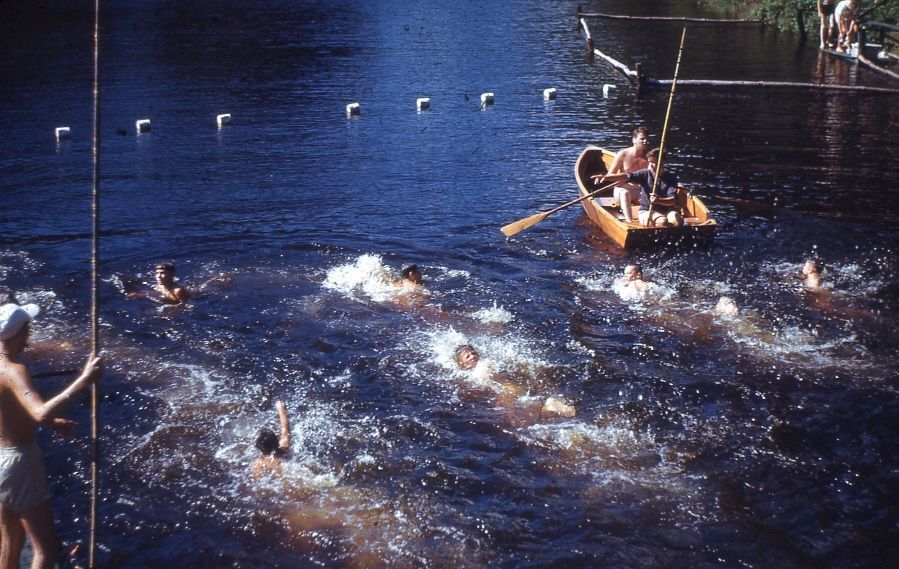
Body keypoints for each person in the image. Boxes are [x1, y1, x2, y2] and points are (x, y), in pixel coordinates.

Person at [0, 303, 102, 569]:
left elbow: (8, 409)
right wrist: (84, 380)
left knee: (10, 540)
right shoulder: (14, 370)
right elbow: (40, 413)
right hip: (20, 463)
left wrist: (53, 423)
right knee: (46, 550)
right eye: (28, 328)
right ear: (21, 332)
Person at [598, 149, 683, 228]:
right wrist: (607, 177)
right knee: (662, 221)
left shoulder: (671, 177)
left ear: (662, 163)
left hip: (666, 210)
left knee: (677, 221)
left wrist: (658, 200)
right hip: (647, 211)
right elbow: (626, 176)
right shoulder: (645, 174)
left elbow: (672, 200)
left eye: (653, 162)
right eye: (649, 162)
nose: (650, 165)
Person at [592, 126, 650, 223]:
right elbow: (611, 174)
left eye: (647, 139)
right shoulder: (623, 154)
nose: (645, 141)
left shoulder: (649, 156)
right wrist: (604, 177)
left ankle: (649, 219)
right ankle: (629, 222)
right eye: (642, 139)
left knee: (650, 197)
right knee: (625, 193)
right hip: (622, 189)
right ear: (634, 140)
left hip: (639, 190)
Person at [252, 400, 291, 478]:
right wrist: (281, 409)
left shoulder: (258, 465)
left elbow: (256, 482)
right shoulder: (284, 450)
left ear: (258, 448)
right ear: (277, 442)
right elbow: (285, 428)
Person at [126, 263, 190, 304]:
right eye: (157, 273)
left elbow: (185, 306)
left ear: (172, 274)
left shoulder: (178, 291)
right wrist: (140, 294)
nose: (158, 276)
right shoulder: (160, 285)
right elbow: (160, 293)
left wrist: (169, 311)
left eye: (162, 273)